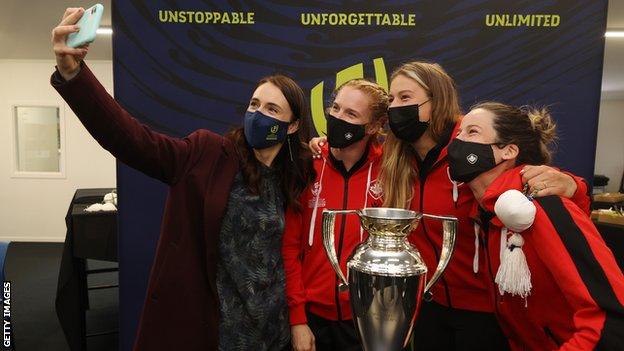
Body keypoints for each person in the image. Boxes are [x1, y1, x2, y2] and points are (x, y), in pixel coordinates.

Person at [51, 8, 314, 351]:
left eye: (272, 110)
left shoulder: (299, 173)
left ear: (292, 125)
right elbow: (131, 140)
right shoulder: (208, 154)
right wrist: (74, 75)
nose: (257, 115)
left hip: (274, 333)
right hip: (216, 333)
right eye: (254, 104)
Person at [311, 60, 589, 350]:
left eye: (406, 98)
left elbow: (525, 175)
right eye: (391, 99)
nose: (395, 107)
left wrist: (573, 186)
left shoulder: (471, 149)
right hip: (427, 305)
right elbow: (358, 152)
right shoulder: (396, 159)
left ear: (437, 100)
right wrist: (323, 146)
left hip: (486, 310)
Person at [448, 101, 624, 350]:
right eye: (459, 134)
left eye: (472, 132)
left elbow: (608, 319)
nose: (457, 142)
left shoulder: (545, 207)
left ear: (508, 151)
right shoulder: (485, 213)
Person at [282, 79, 388, 351]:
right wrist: (297, 320)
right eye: (336, 109)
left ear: (374, 126)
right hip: (311, 319)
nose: (339, 118)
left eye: (351, 114)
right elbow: (290, 247)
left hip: (368, 319)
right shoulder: (309, 164)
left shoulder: (391, 169)